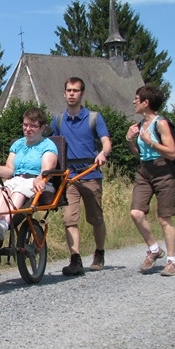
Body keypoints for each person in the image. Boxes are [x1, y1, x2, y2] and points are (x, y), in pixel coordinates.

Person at [50, 77, 112, 276]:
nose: (71, 93)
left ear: (82, 94)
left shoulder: (94, 118)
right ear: (64, 93)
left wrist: (103, 153)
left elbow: (106, 142)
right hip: (69, 178)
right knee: (69, 219)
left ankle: (99, 252)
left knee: (95, 219)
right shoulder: (58, 120)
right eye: (68, 90)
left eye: (75, 90)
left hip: (91, 174)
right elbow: (50, 144)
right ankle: (75, 259)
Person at [0, 108, 58, 239]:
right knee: (4, 189)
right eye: (25, 125)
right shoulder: (18, 144)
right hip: (17, 178)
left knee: (19, 191)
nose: (28, 129)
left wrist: (39, 179)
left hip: (37, 180)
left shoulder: (48, 145)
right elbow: (9, 170)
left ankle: (4, 224)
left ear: (42, 128)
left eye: (33, 126)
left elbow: (47, 170)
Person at [126, 86, 175, 277]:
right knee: (136, 212)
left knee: (164, 218)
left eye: (137, 98)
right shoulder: (140, 125)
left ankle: (172, 262)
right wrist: (130, 141)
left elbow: (172, 153)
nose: (134, 101)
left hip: (164, 170)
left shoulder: (161, 123)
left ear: (145, 102)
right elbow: (140, 154)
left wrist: (151, 142)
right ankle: (154, 249)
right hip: (144, 170)